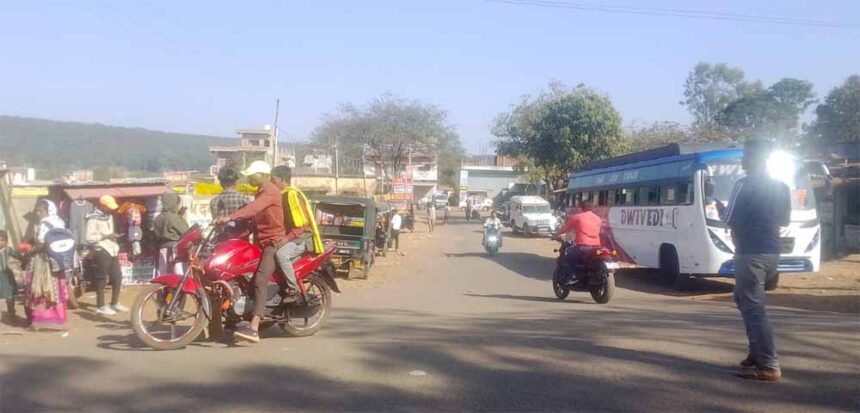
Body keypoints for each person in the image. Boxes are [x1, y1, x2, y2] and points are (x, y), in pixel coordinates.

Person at [724, 139, 790, 382]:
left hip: (750, 252)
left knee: (753, 308)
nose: (742, 159)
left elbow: (729, 218)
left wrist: (722, 211)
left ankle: (769, 364)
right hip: (772, 251)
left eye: (745, 155)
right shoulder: (781, 186)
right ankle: (756, 353)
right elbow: (784, 220)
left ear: (755, 158)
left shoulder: (743, 184)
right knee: (743, 300)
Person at [215, 161, 285, 344]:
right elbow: (254, 221)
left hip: (273, 242)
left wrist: (230, 217)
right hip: (260, 242)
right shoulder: (260, 192)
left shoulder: (270, 191)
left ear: (263, 175)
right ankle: (234, 319)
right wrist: (235, 236)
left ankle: (254, 328)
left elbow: (253, 209)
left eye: (252, 175)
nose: (249, 178)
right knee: (245, 277)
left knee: (260, 280)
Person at [270, 165, 325, 304]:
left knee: (281, 255)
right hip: (291, 237)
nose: (271, 183)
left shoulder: (292, 195)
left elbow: (302, 225)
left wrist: (285, 239)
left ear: (281, 179)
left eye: (273, 180)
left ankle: (293, 289)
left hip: (303, 238)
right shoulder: (281, 195)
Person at [26, 200, 69, 328]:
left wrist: (30, 251)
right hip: (57, 261)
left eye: (40, 211)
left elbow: (41, 244)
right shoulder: (59, 222)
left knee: (41, 289)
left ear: (48, 211)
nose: (38, 213)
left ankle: (43, 320)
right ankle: (58, 317)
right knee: (56, 289)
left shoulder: (44, 224)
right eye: (37, 211)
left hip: (43, 261)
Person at [85, 195, 126, 316]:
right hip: (101, 250)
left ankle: (114, 303)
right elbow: (89, 238)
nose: (110, 209)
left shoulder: (109, 216)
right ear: (102, 206)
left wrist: (114, 237)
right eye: (108, 207)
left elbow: (110, 233)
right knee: (101, 278)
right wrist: (106, 236)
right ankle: (101, 305)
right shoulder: (92, 219)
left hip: (112, 249)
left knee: (117, 276)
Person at [554, 201, 602, 278]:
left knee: (566, 259)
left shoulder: (577, 217)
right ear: (592, 208)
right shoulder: (598, 219)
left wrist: (555, 235)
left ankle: (573, 276)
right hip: (597, 246)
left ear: (581, 208)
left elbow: (565, 229)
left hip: (582, 246)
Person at [153, 192, 189, 276]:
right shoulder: (173, 217)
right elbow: (185, 231)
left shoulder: (158, 218)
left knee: (165, 274)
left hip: (162, 249)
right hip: (174, 249)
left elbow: (155, 235)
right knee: (178, 275)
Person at [0, 230, 20, 329]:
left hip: (7, 276)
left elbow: (18, 256)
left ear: (6, 241)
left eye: (1, 240)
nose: (0, 243)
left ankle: (12, 315)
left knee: (10, 297)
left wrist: (20, 253)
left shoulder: (9, 250)